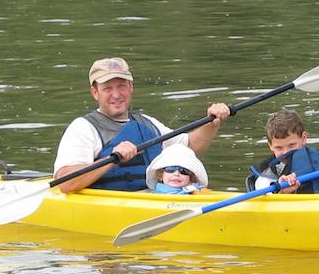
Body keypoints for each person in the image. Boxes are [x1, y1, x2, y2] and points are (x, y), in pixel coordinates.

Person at [53, 56, 230, 193]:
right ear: (95, 92)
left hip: (153, 198)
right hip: (109, 202)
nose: (116, 95)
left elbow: (191, 147)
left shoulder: (148, 123)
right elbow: (66, 183)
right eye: (108, 88)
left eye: (121, 86)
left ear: (131, 87)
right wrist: (111, 159)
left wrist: (212, 122)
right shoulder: (83, 128)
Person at [246, 108, 319, 194]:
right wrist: (283, 193)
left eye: (292, 145)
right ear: (270, 145)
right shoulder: (266, 177)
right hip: (291, 223)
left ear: (303, 138)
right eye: (279, 148)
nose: (286, 152)